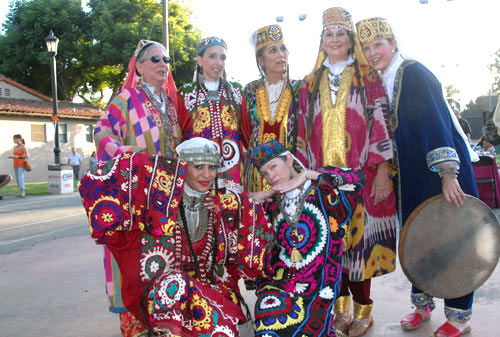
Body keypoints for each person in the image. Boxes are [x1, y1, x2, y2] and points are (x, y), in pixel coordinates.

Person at [357, 17, 479, 337]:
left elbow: (434, 126)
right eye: (366, 47)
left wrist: (448, 175)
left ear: (393, 43)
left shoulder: (413, 73)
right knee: (417, 240)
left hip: (440, 171)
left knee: (452, 242)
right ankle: (422, 306)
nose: (372, 53)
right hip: (411, 176)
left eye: (378, 45)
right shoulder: (384, 79)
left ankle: (459, 315)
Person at [79, 137, 274, 336]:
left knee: (230, 326)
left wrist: (249, 199)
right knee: (179, 288)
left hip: (206, 294)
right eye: (198, 166)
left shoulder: (218, 205)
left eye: (213, 167)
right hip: (166, 296)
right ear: (181, 167)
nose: (207, 174)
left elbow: (245, 215)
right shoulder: (155, 207)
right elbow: (97, 182)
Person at [295, 8, 397, 337]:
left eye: (341, 33)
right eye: (329, 34)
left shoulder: (368, 77)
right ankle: (339, 313)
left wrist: (382, 171)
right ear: (321, 41)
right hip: (321, 181)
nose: (335, 39)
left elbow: (381, 123)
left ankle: (363, 311)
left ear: (350, 40)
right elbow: (300, 129)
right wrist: (302, 176)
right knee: (330, 246)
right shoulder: (309, 83)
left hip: (362, 178)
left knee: (360, 247)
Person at [93, 39, 191, 337]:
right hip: (137, 197)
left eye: (166, 60)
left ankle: (165, 324)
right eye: (155, 59)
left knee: (166, 258)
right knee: (135, 260)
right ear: (138, 66)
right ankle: (137, 327)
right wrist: (132, 158)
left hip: (168, 198)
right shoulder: (126, 98)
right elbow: (101, 132)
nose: (162, 65)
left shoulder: (171, 106)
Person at [249, 140, 364, 337]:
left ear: (289, 159)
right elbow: (224, 208)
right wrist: (251, 197)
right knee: (268, 326)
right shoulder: (271, 202)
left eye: (273, 166)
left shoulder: (321, 190)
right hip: (279, 283)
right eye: (265, 173)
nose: (271, 176)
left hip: (316, 283)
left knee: (305, 329)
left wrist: (307, 175)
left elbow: (356, 179)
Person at [241, 24, 303, 193]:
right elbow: (246, 131)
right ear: (261, 59)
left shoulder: (299, 88)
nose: (281, 55)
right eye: (273, 50)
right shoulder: (250, 90)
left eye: (283, 49)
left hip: (290, 174)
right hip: (257, 173)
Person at [179, 36, 244, 193]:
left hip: (233, 171)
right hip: (199, 173)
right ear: (199, 60)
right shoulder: (185, 93)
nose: (218, 63)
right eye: (212, 56)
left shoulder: (236, 91)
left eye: (222, 58)